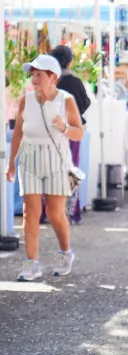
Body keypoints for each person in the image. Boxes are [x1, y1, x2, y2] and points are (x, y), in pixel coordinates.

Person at [6, 55, 85, 281]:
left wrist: (64, 127)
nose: (34, 79)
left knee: (54, 212)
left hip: (56, 159)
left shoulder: (66, 100)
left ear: (53, 77)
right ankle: (32, 263)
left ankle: (65, 253)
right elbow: (18, 133)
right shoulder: (26, 100)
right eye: (32, 74)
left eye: (39, 74)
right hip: (29, 158)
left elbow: (79, 133)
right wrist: (11, 162)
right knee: (30, 212)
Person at [48, 45, 91, 224]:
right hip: (72, 131)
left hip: (51, 133)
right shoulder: (74, 82)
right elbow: (86, 103)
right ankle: (71, 213)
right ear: (70, 61)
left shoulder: (49, 81)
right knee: (71, 171)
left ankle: (47, 212)